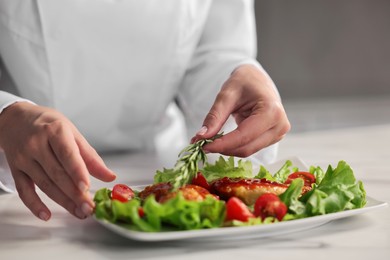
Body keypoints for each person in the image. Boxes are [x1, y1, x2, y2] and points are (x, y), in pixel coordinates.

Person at [0, 0, 290, 221]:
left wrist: (242, 74)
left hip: (155, 171)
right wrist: (7, 115)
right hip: (23, 181)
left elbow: (213, 48)